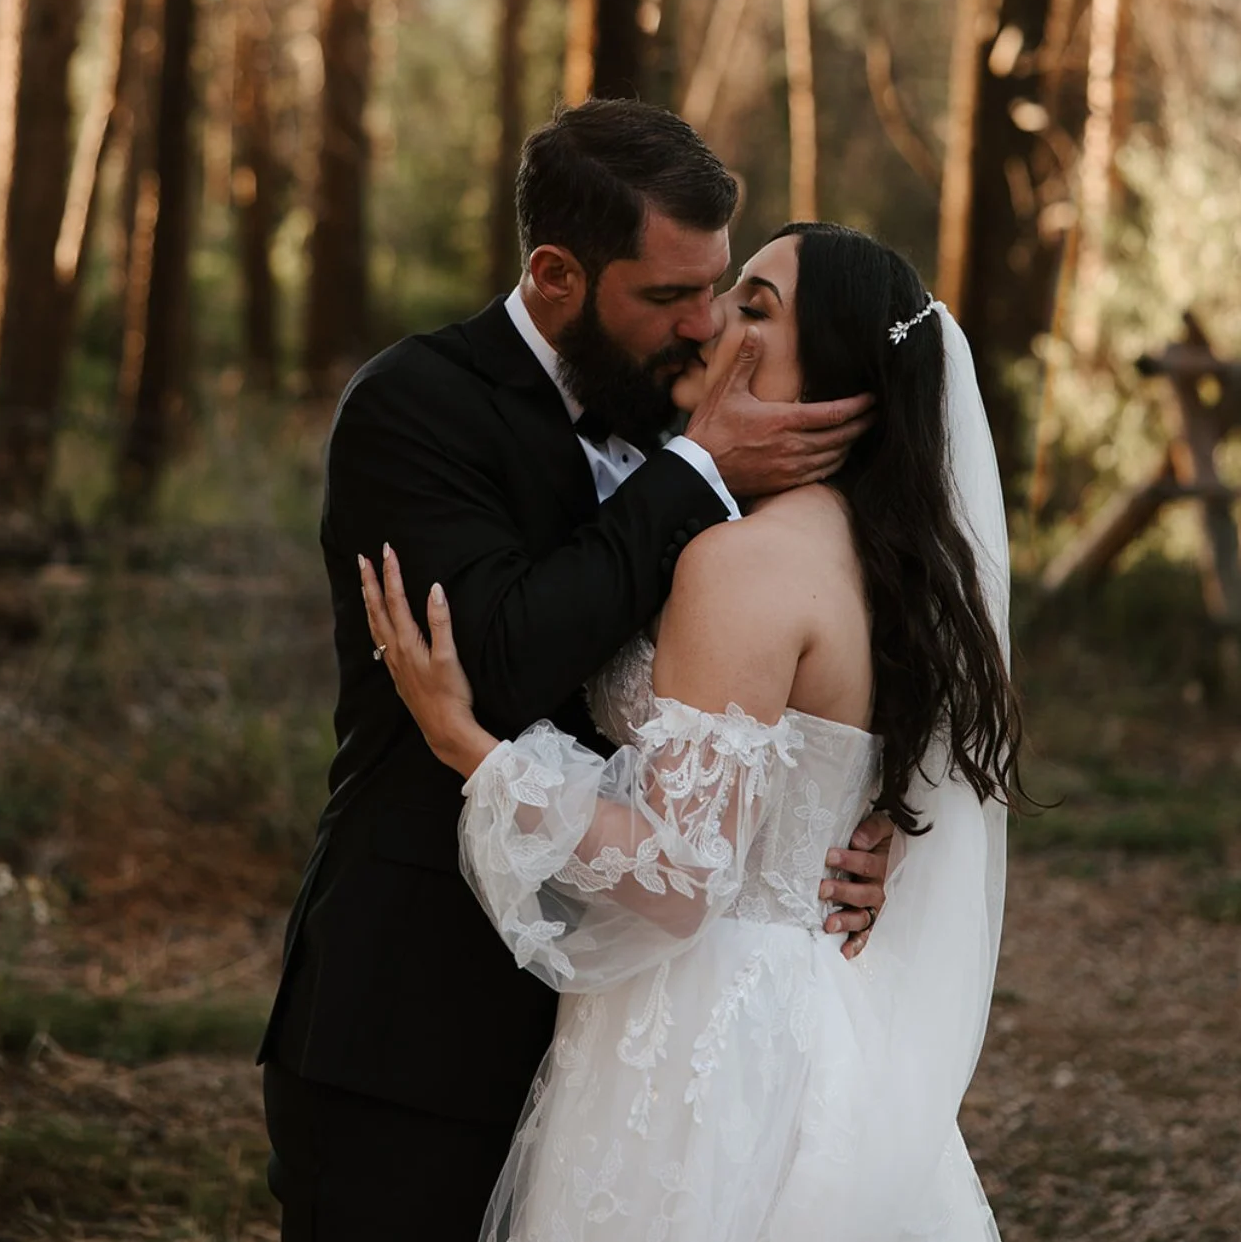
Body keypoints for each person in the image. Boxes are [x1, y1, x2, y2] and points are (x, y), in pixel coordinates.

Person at [260, 102, 888, 1241]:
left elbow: (794, 671)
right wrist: (697, 469)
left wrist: (843, 822)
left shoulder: (699, 426)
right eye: (667, 296)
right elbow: (496, 659)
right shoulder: (415, 406)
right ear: (554, 272)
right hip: (419, 1017)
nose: (704, 327)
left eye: (716, 287)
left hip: (630, 1038)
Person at [362, 219, 1018, 1242]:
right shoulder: (874, 554)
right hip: (804, 1014)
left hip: (701, 1042)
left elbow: (676, 875)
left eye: (756, 306)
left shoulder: (743, 562)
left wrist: (471, 747)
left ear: (834, 370)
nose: (712, 323)